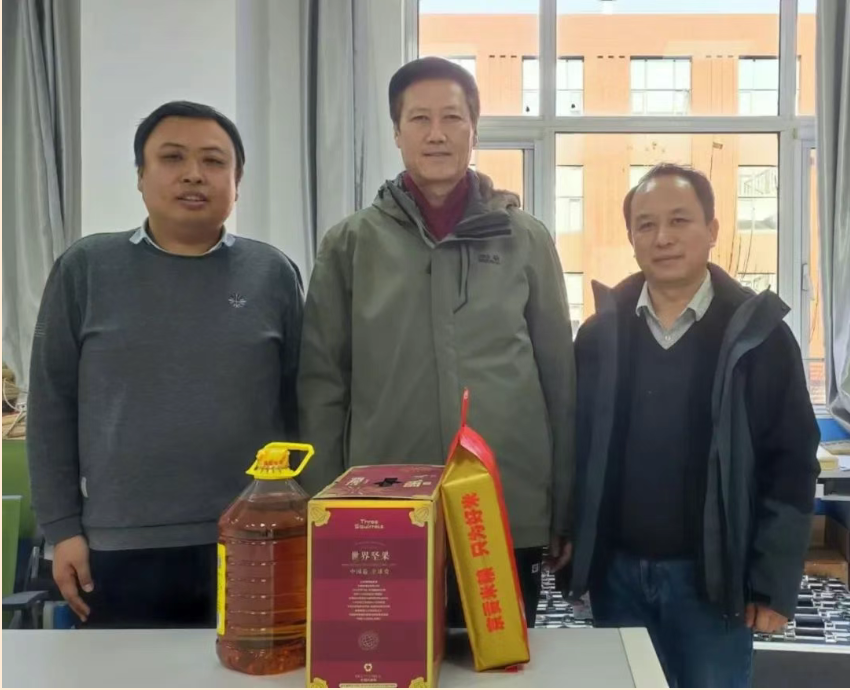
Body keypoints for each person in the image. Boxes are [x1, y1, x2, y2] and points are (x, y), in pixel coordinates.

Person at [297, 57, 576, 626]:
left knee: (498, 661)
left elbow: (560, 382)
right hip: (383, 508)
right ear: (396, 133)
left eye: (452, 117)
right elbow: (323, 386)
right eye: (419, 118)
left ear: (474, 130)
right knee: (387, 658)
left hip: (505, 507)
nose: (436, 133)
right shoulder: (351, 244)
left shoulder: (524, 239)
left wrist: (562, 507)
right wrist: (321, 509)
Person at [27, 101, 304, 628]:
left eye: (214, 161)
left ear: (237, 182)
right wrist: (62, 530)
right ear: (141, 175)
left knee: (252, 669)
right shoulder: (87, 269)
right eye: (172, 157)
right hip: (118, 544)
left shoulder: (271, 273)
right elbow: (51, 407)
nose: (194, 174)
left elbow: (299, 403)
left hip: (254, 537)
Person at [567, 164, 820, 686]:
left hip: (714, 582)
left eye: (679, 220)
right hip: (617, 577)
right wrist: (572, 541)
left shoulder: (760, 338)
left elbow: (792, 463)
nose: (662, 237)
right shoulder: (599, 336)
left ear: (712, 229)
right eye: (646, 225)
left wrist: (773, 583)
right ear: (632, 238)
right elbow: (576, 448)